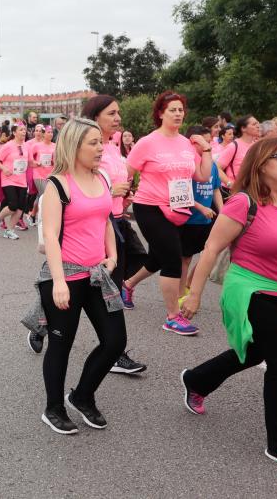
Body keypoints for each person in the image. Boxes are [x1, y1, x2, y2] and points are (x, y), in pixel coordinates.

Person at [180, 136, 277, 475]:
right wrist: (193, 294)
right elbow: (210, 250)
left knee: (253, 352)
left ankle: (196, 380)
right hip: (249, 290)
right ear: (261, 163)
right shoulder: (243, 203)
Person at [30, 117, 126, 434]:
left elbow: (106, 220)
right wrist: (58, 282)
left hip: (97, 274)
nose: (101, 148)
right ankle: (53, 408)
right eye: (94, 143)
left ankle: (82, 396)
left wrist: (111, 255)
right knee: (62, 344)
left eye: (102, 142)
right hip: (66, 275)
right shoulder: (57, 185)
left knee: (115, 341)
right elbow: (51, 237)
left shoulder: (102, 178)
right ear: (75, 145)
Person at [122, 91, 213, 335]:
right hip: (149, 206)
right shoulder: (147, 142)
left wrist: (206, 150)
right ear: (161, 113)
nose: (177, 114)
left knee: (159, 258)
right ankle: (172, 317)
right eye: (172, 109)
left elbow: (202, 176)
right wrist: (119, 195)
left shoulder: (186, 143)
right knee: (173, 257)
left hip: (177, 208)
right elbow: (126, 171)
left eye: (181, 110)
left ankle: (127, 285)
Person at [81, 95, 147, 374]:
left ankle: (46, 321)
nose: (118, 118)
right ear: (95, 117)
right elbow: (80, 190)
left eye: (119, 113)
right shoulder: (87, 149)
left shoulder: (113, 147)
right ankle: (115, 350)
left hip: (118, 219)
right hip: (98, 224)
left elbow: (120, 181)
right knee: (103, 287)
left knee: (140, 261)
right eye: (112, 113)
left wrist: (125, 195)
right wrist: (111, 193)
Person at [178, 126, 223, 302]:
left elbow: (216, 188)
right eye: (202, 142)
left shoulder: (210, 163)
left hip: (208, 218)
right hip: (189, 218)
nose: (207, 145)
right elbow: (180, 193)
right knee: (186, 258)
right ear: (192, 142)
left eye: (209, 141)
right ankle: (181, 294)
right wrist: (200, 207)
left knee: (212, 251)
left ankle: (189, 283)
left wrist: (222, 210)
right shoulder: (186, 163)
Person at [0, 123, 29, 239]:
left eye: (24, 130)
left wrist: (40, 165)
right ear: (14, 133)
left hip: (22, 180)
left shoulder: (26, 146)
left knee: (20, 208)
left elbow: (31, 162)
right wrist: (4, 168)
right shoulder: (8, 145)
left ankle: (10, 230)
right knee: (13, 205)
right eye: (21, 130)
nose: (24, 131)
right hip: (9, 179)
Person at [217, 115, 260, 190]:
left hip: (252, 189)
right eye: (254, 124)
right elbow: (217, 167)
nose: (258, 126)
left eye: (258, 123)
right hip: (234, 191)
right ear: (243, 128)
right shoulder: (234, 146)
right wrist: (229, 183)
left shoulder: (257, 146)